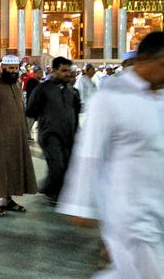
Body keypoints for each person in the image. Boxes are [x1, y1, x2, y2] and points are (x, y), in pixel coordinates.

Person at [58, 32, 164, 277]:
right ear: (144, 60)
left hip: (157, 204)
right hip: (130, 213)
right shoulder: (110, 98)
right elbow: (90, 154)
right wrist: (81, 204)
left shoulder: (159, 98)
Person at [0, 55, 38, 217]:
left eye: (15, 68)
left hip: (15, 135)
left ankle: (7, 200)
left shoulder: (16, 85)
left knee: (12, 166)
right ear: (2, 68)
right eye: (10, 68)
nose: (13, 71)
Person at [26, 57, 80, 205]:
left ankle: (50, 188)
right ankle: (52, 192)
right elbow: (30, 110)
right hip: (50, 135)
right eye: (63, 71)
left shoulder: (72, 91)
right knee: (57, 165)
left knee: (68, 165)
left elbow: (75, 112)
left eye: (69, 71)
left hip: (68, 135)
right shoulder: (43, 88)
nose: (67, 74)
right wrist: (47, 117)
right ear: (54, 70)